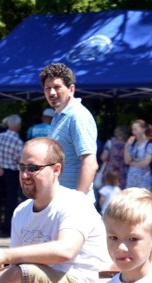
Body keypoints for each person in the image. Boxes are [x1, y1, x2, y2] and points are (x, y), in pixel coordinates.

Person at [0, 137, 111, 283]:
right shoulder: (21, 211)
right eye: (22, 167)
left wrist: (5, 255)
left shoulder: (75, 202)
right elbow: (16, 263)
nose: (25, 175)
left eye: (33, 168)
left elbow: (65, 250)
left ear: (56, 170)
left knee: (19, 274)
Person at [40, 62, 98, 201]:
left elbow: (90, 163)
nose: (52, 93)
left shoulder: (77, 116)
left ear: (71, 89)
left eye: (57, 87)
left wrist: (78, 202)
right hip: (60, 201)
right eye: (48, 88)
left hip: (74, 207)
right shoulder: (59, 116)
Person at [0, 114, 24, 237]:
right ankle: (6, 229)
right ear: (17, 126)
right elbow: (20, 160)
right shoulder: (18, 142)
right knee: (11, 202)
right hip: (12, 173)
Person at [123, 119, 152, 191]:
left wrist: (132, 163)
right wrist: (127, 145)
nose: (133, 132)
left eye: (135, 129)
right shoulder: (133, 144)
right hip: (132, 180)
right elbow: (127, 160)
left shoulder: (150, 144)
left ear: (143, 130)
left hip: (144, 181)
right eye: (132, 130)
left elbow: (145, 164)